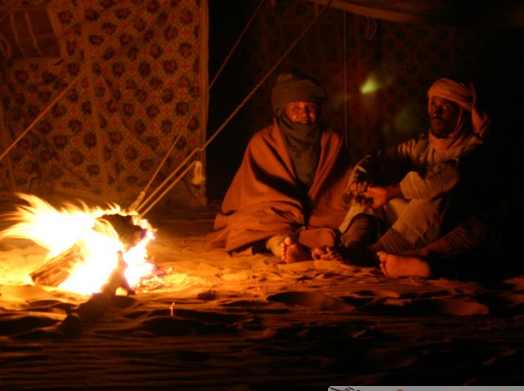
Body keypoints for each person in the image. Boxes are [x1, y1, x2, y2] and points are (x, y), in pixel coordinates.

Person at [328, 76, 505, 278]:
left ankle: (372, 253)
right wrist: (361, 180)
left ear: (462, 112)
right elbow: (376, 161)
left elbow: (448, 175)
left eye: (445, 107)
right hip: (413, 222)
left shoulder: (476, 148)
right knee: (371, 188)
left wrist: (393, 191)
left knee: (435, 191)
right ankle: (355, 244)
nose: (435, 112)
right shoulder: (420, 145)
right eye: (432, 104)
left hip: (449, 222)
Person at [205, 70, 353, 262]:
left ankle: (304, 244)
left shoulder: (333, 139)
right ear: (283, 110)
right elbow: (254, 192)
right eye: (296, 108)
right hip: (276, 211)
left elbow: (340, 187)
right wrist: (288, 209)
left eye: (310, 107)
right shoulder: (263, 141)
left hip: (320, 212)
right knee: (251, 222)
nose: (304, 114)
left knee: (354, 219)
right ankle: (282, 244)